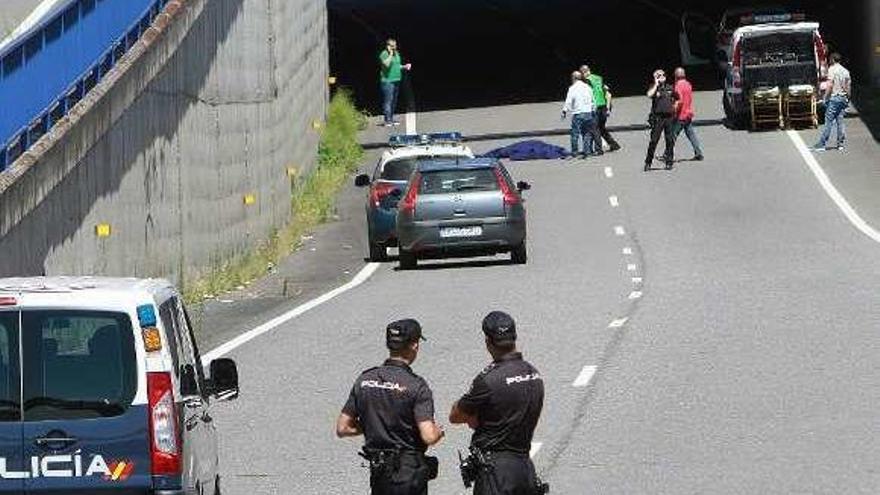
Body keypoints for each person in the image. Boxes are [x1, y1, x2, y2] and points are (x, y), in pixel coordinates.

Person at [337, 319, 444, 494]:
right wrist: (439, 432)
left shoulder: (364, 380)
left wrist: (372, 426)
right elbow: (429, 436)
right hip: (408, 472)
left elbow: (343, 428)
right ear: (415, 345)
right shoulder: (416, 386)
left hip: (379, 472)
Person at [449, 311, 545, 495]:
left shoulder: (489, 380)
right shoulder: (533, 374)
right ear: (514, 337)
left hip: (495, 474)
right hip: (525, 468)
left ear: (488, 342)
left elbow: (456, 416)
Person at [812, 52, 852, 152]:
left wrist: (825, 97)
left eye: (830, 59)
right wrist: (848, 99)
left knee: (828, 121)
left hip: (834, 98)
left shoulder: (832, 70)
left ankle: (822, 143)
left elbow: (829, 85)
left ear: (833, 60)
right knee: (840, 121)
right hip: (843, 99)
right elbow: (848, 87)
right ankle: (840, 144)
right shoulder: (845, 71)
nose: (829, 61)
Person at [561, 71, 602, 159]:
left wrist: (564, 111)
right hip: (588, 113)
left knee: (575, 134)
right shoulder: (588, 87)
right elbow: (593, 100)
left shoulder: (572, 88)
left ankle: (574, 152)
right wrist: (593, 110)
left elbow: (568, 101)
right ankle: (587, 152)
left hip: (578, 113)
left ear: (574, 78)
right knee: (587, 133)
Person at [581, 65, 621, 153]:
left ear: (584, 73)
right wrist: (608, 107)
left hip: (595, 106)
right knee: (601, 128)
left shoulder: (587, 81)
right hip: (603, 105)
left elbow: (588, 94)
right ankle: (614, 145)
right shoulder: (599, 78)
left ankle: (598, 149)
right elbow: (606, 90)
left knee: (595, 128)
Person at [644, 69, 678, 171]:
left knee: (669, 140)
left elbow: (677, 98)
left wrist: (674, 108)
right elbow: (649, 95)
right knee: (654, 141)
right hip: (658, 118)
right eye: (659, 75)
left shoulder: (670, 88)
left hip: (669, 118)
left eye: (663, 75)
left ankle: (669, 162)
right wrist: (656, 83)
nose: (662, 76)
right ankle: (648, 162)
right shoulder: (653, 87)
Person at [379, 39, 412, 127]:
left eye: (395, 45)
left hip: (396, 80)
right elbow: (386, 64)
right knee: (388, 101)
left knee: (394, 101)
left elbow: (397, 65)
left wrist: (404, 66)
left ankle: (391, 118)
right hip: (387, 81)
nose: (394, 47)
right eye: (392, 46)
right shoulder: (384, 54)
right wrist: (390, 54)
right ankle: (387, 120)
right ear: (387, 46)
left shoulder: (397, 54)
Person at [672, 67, 704, 161]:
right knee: (691, 135)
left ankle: (667, 153)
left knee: (672, 135)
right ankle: (698, 152)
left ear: (676, 76)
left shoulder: (678, 85)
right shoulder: (688, 84)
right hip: (688, 114)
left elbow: (680, 100)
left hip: (681, 115)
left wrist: (674, 111)